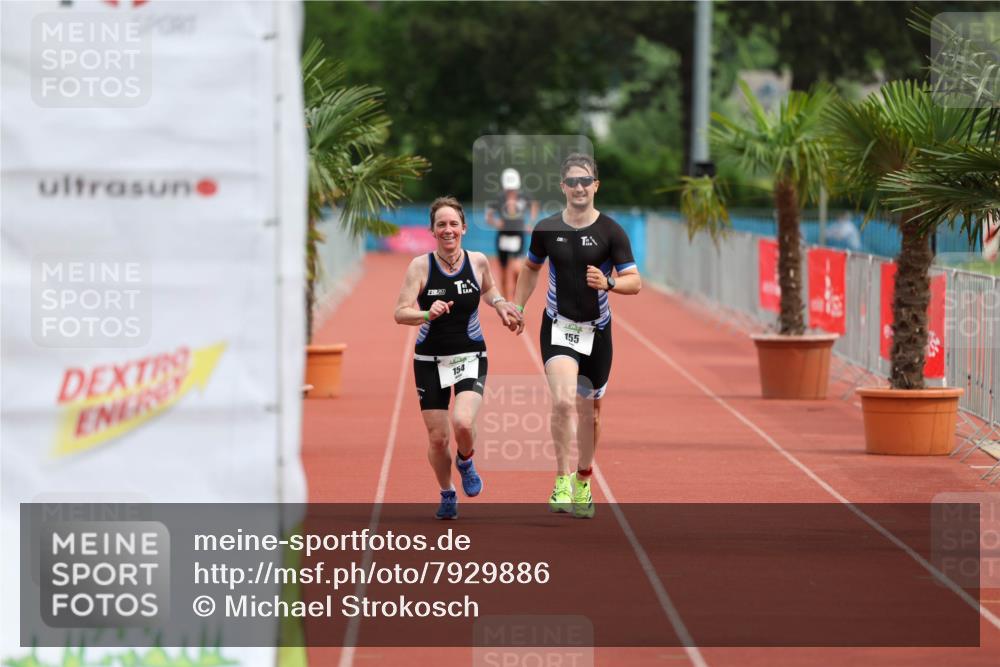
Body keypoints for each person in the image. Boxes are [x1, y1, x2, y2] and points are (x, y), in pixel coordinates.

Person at [511, 154, 641, 519]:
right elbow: (531, 269)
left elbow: (635, 282)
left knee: (591, 415)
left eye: (586, 181)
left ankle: (584, 478)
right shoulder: (546, 228)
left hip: (598, 331)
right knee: (565, 401)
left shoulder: (612, 232)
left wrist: (610, 282)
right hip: (558, 326)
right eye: (573, 182)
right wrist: (518, 308)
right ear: (563, 186)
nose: (580, 187)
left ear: (596, 185)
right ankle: (561, 479)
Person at [394, 196, 522, 519]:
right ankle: (447, 491)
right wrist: (425, 313)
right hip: (429, 361)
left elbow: (489, 289)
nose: (448, 230)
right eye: (441, 225)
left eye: (453, 224)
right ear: (432, 231)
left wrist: (501, 304)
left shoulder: (477, 261)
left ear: (463, 228)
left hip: (470, 353)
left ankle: (466, 459)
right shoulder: (420, 267)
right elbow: (400, 313)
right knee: (438, 439)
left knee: (463, 422)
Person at [486, 168, 539, 302]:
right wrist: (495, 223)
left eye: (513, 188)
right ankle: (505, 300)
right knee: (503, 271)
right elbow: (489, 216)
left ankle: (517, 299)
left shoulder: (524, 196)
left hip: (518, 235)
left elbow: (534, 205)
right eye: (509, 188)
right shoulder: (499, 198)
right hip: (503, 236)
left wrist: (531, 223)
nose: (511, 191)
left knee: (517, 268)